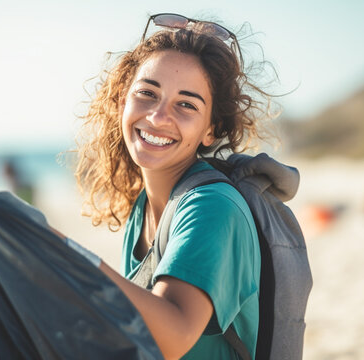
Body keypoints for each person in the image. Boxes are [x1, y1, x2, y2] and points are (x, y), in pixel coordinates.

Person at [69, 13, 273, 360]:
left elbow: (172, 336)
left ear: (211, 129)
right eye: (147, 93)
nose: (158, 116)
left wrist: (64, 254)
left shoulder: (212, 207)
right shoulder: (143, 208)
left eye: (186, 104)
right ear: (122, 103)